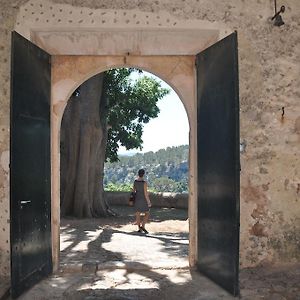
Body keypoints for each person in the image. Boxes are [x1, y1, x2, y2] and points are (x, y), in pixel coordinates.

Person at [132, 169, 151, 233]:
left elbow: (133, 190)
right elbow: (145, 193)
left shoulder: (135, 181)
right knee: (147, 213)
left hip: (137, 199)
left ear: (138, 174)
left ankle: (139, 228)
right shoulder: (144, 182)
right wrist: (148, 202)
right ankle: (143, 226)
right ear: (143, 174)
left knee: (137, 214)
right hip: (143, 199)